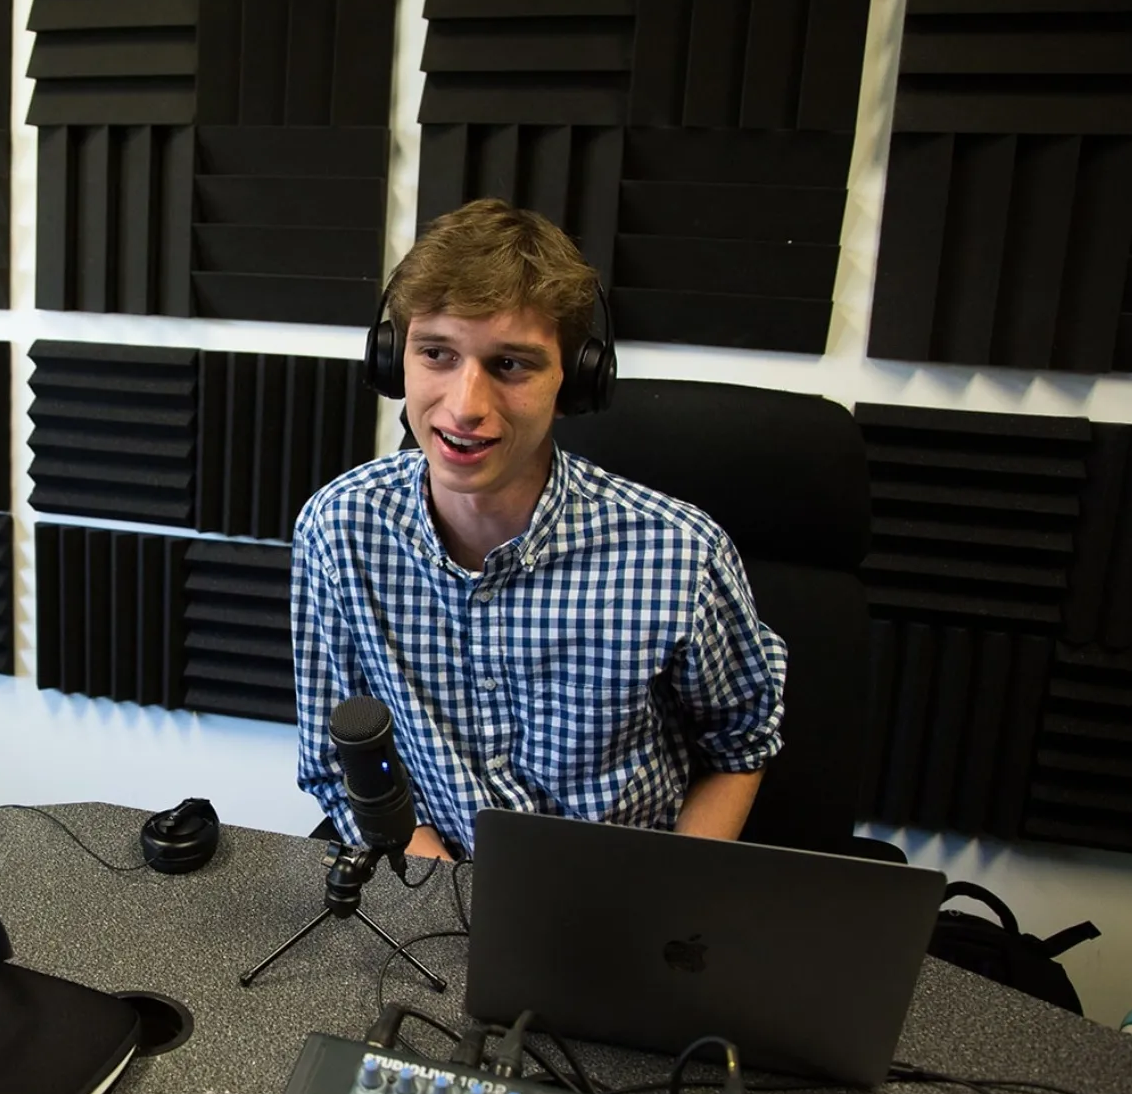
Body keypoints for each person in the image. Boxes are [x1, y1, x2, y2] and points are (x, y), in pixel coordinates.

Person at [291, 199, 787, 860]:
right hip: (430, 887)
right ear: (392, 360)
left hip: (618, 902)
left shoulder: (680, 556)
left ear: (575, 379)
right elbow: (339, 758)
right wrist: (438, 896)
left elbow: (742, 743)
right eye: (437, 353)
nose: (465, 407)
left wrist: (675, 893)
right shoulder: (339, 528)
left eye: (511, 365)